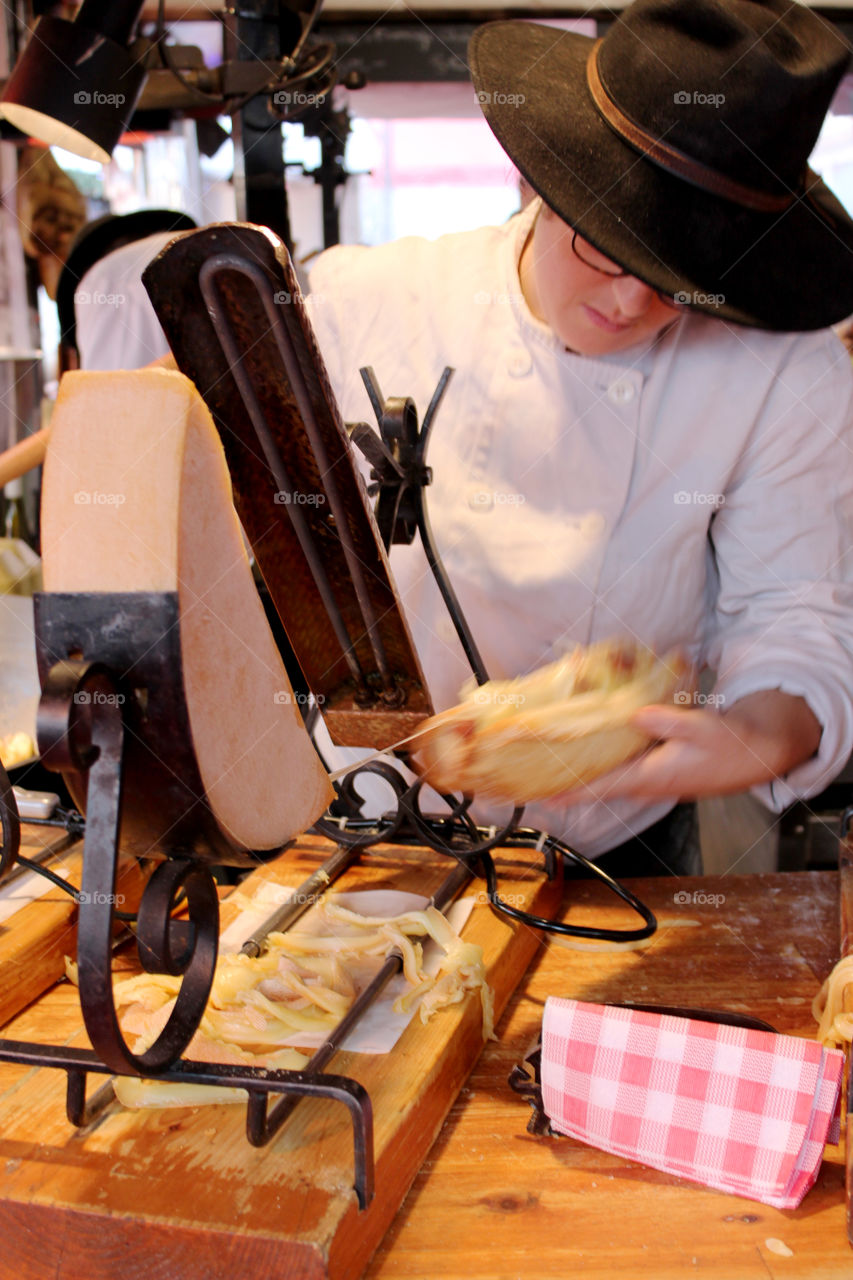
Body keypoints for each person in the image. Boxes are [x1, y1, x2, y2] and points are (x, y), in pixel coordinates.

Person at [306, 0, 853, 875]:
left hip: (612, 839)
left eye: (682, 280)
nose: (633, 303)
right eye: (606, 248)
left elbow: (795, 610)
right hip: (357, 813)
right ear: (537, 182)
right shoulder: (361, 304)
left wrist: (753, 738)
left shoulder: (784, 372)